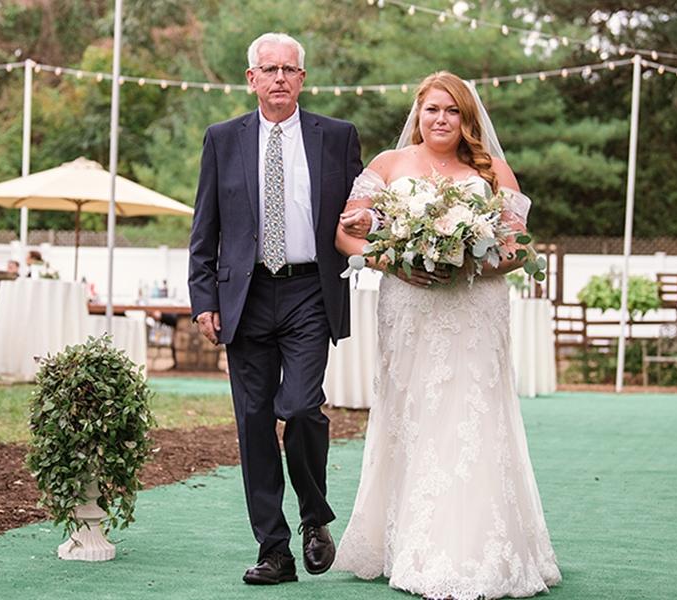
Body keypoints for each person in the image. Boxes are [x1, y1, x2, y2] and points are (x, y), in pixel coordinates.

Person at [333, 71, 561, 600]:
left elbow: (517, 247)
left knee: (473, 417)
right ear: (418, 112)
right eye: (433, 109)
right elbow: (346, 230)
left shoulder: (493, 171)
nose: (441, 119)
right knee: (412, 415)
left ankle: (479, 550)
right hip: (408, 306)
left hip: (474, 308)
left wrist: (465, 262)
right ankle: (404, 541)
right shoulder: (388, 167)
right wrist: (390, 259)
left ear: (467, 118)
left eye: (453, 111)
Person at [187, 32, 363, 585]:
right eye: (269, 69)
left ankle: (315, 518)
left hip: (311, 290)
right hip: (246, 295)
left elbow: (361, 214)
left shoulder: (337, 138)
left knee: (302, 405)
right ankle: (274, 549)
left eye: (289, 69)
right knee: (254, 422)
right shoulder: (222, 139)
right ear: (252, 79)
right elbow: (204, 228)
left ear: (302, 79)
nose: (280, 78)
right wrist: (203, 299)